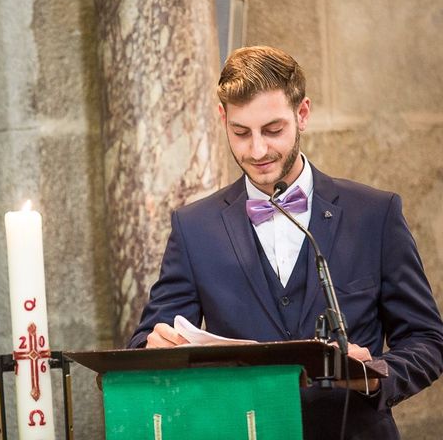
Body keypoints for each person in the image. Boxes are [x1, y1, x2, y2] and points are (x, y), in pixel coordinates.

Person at [128, 46, 443, 439]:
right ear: (223, 119)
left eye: (273, 130)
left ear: (303, 114)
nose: (257, 150)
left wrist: (377, 377)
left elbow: (427, 339)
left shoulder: (376, 214)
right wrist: (152, 348)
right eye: (241, 132)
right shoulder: (194, 227)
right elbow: (145, 340)